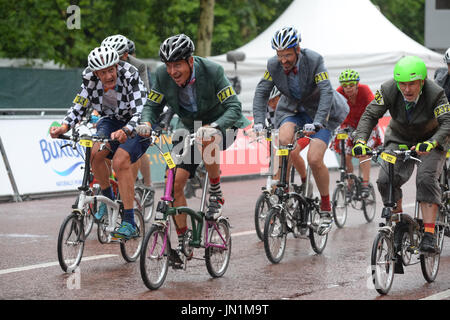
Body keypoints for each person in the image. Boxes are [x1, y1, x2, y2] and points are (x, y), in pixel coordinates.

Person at [136, 34, 249, 253]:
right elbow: (152, 105)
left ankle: (215, 191)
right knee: (175, 183)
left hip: (224, 125)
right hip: (191, 128)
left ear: (190, 61)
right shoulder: (162, 75)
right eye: (168, 65)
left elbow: (234, 107)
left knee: (207, 138)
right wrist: (146, 122)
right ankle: (183, 239)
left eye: (177, 65)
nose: (172, 72)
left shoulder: (212, 71)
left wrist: (214, 126)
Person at [252, 26, 349, 233]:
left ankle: (325, 207)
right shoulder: (273, 65)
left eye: (287, 54)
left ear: (297, 49)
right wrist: (259, 120)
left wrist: (318, 122)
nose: (283, 60)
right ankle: (283, 191)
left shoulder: (314, 60)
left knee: (314, 158)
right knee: (284, 140)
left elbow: (325, 92)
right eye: (280, 55)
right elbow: (262, 91)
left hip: (320, 113)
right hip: (293, 109)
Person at [49, 45, 149, 239]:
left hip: (137, 123)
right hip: (111, 121)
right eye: (103, 72)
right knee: (94, 153)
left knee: (120, 161)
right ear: (96, 73)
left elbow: (142, 109)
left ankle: (129, 221)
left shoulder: (130, 74)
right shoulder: (89, 79)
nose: (109, 75)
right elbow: (78, 105)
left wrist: (127, 130)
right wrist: (63, 127)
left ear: (117, 66)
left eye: (112, 69)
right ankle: (107, 200)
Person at [352, 56, 450, 253]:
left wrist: (432, 143)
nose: (406, 89)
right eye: (402, 84)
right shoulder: (388, 89)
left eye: (412, 84)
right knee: (385, 180)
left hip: (431, 140)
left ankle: (429, 235)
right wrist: (360, 140)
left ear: (422, 81)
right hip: (399, 139)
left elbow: (447, 122)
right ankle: (400, 224)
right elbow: (371, 114)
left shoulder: (436, 93)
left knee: (425, 179)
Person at [102, 34, 155, 201]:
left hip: (134, 110)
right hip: (115, 111)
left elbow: (144, 95)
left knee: (133, 148)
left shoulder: (138, 66)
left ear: (126, 55)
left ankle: (143, 185)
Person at [330, 69, 382, 197]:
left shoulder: (365, 90)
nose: (348, 89)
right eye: (345, 86)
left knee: (363, 152)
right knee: (345, 154)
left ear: (357, 84)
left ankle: (365, 183)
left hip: (366, 123)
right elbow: (333, 110)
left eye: (351, 85)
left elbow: (374, 107)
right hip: (348, 125)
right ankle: (350, 182)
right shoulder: (339, 92)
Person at [265, 86, 308, 187]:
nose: (272, 104)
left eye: (274, 100)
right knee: (275, 160)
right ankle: (278, 192)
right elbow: (259, 122)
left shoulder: (290, 105)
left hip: (298, 132)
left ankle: (304, 179)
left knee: (293, 152)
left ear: (281, 97)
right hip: (278, 135)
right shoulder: (265, 107)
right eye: (269, 101)